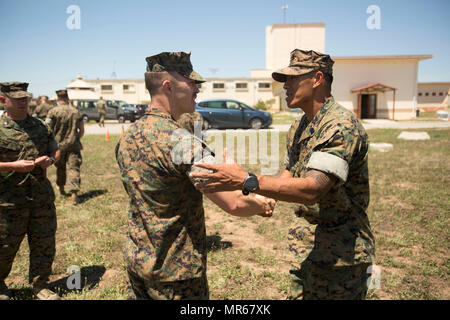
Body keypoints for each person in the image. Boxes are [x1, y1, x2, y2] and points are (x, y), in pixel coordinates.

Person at [190, 49, 376, 300]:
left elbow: (312, 189)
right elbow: (291, 171)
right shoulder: (301, 125)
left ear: (318, 79)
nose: (285, 85)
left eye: (292, 78)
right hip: (307, 249)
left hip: (342, 258)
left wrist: (247, 180)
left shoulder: (339, 127)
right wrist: (268, 198)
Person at [115, 51, 275, 300]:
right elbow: (233, 203)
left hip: (138, 262)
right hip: (177, 275)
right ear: (168, 86)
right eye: (191, 82)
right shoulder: (183, 144)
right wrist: (260, 203)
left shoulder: (128, 136)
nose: (197, 88)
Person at [0, 82, 61, 300]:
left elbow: (56, 149)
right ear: (3, 100)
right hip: (8, 202)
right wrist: (11, 166)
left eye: (24, 98)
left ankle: (40, 286)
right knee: (5, 246)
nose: (22, 102)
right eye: (16, 99)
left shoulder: (40, 126)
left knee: (44, 244)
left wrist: (51, 160)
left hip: (40, 198)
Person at [45, 89, 84, 205]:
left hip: (58, 146)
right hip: (73, 145)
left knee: (60, 167)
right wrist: (76, 139)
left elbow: (48, 128)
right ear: (67, 98)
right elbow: (81, 130)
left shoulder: (53, 111)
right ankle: (74, 194)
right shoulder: (76, 112)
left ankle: (61, 188)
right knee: (74, 168)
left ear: (58, 98)